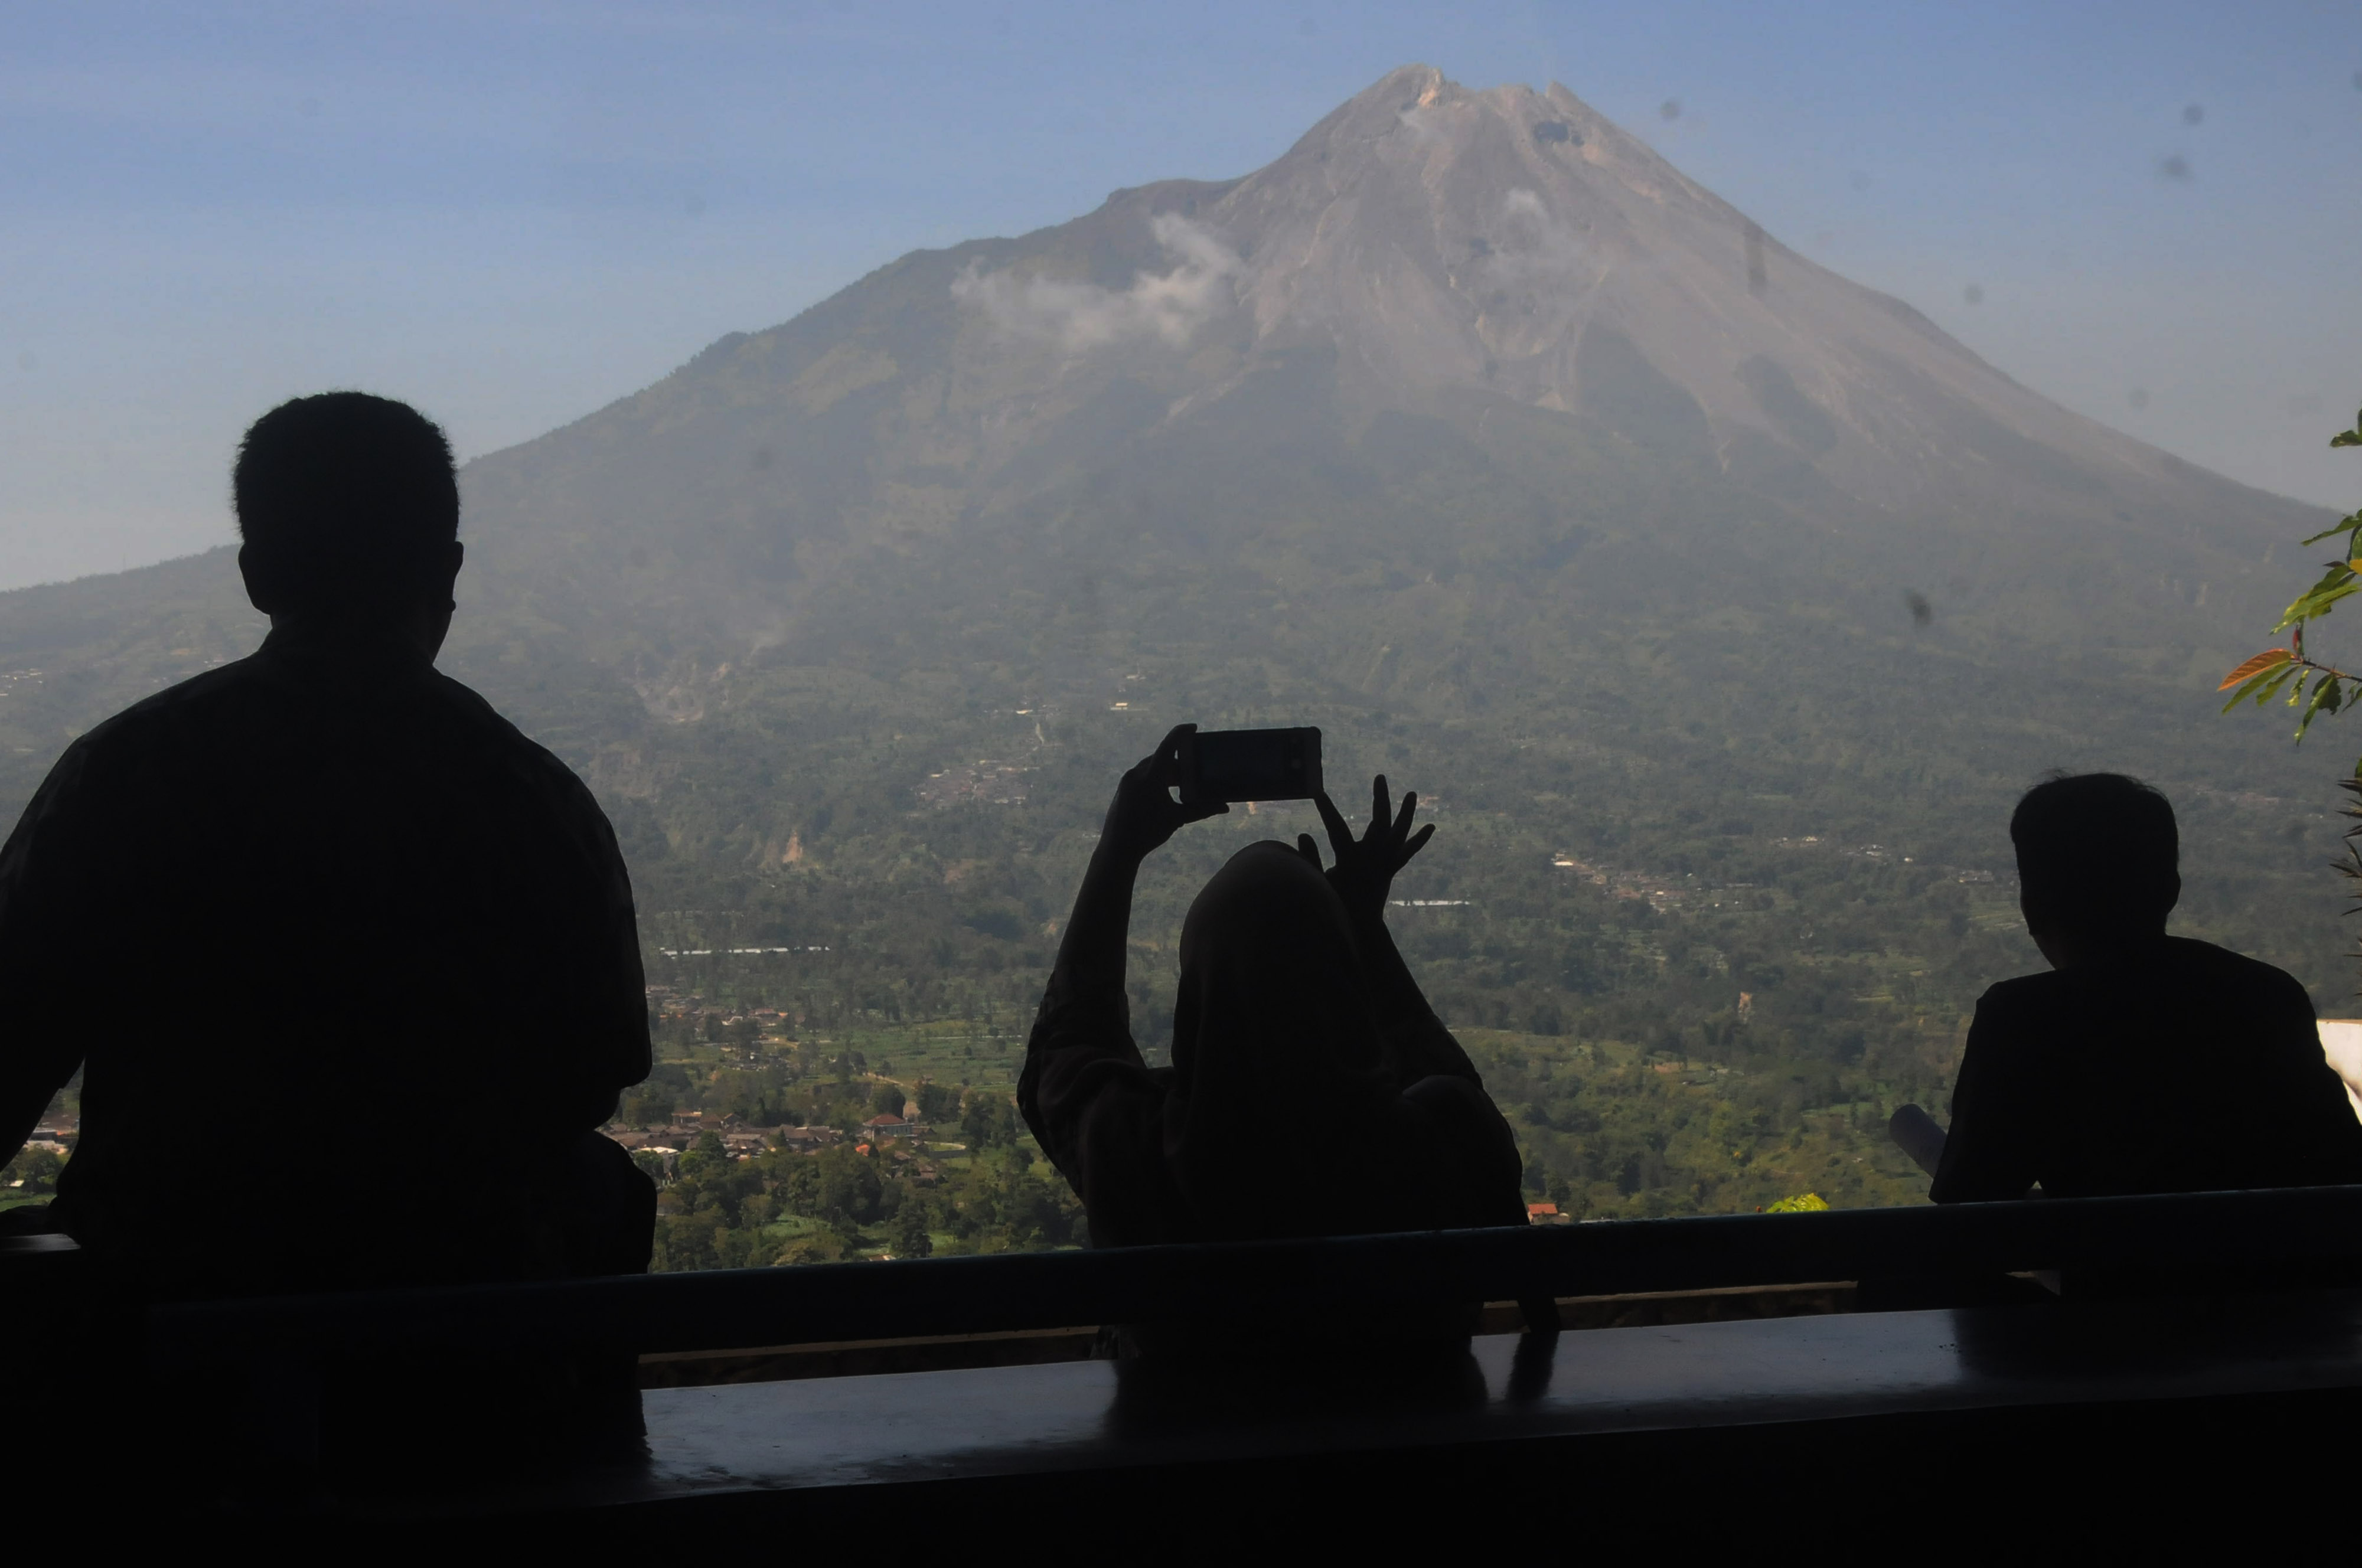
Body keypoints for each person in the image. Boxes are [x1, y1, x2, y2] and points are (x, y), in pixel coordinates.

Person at [0, 392, 655, 1301]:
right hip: (474, 1342)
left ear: (257, 573)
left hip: (175, 1331)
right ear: (447, 567)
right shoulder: (531, 796)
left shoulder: (124, 776)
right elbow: (597, 1067)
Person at [1019, 725, 1525, 1350]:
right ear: (1341, 987)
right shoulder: (1440, 1146)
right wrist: (1362, 928)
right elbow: (1445, 1077)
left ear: (1197, 997)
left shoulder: (1136, 1160)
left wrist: (1119, 851)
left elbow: (1068, 1042)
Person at [1932, 772, 2362, 1204]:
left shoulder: (2024, 1019)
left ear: (2031, 905)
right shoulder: (2267, 997)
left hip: (2130, 1272)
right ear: (2170, 891)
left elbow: (1968, 1200)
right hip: (2279, 1267)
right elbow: (2340, 1165)